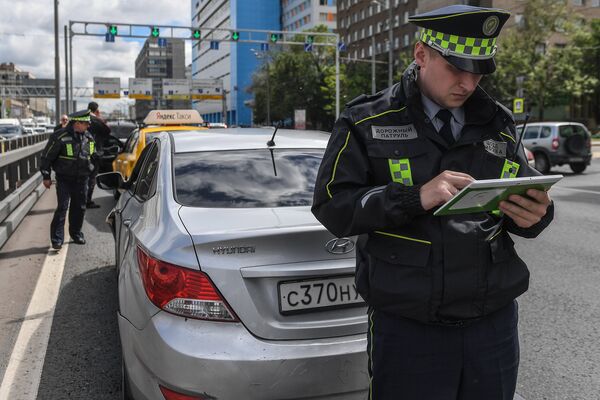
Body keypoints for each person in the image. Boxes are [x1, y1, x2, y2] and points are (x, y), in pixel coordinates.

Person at [312, 5, 554, 400]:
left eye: (479, 70)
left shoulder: (498, 121)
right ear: (421, 54)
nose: (469, 82)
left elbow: (520, 191)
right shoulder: (366, 120)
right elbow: (333, 206)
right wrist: (414, 197)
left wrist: (536, 215)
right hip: (409, 327)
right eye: (457, 68)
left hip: (491, 324)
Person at [41, 109, 96, 250]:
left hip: (82, 179)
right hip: (64, 179)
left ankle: (76, 233)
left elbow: (92, 155)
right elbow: (47, 156)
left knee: (79, 208)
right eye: (86, 123)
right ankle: (57, 239)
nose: (88, 126)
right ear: (77, 123)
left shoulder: (89, 137)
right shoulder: (59, 136)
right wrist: (46, 176)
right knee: (62, 208)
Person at [85, 101, 112, 208]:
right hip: (93, 152)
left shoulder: (83, 118)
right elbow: (107, 131)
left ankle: (81, 199)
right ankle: (87, 201)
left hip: (82, 151)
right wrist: (100, 119)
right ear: (97, 111)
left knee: (83, 177)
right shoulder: (96, 120)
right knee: (91, 178)